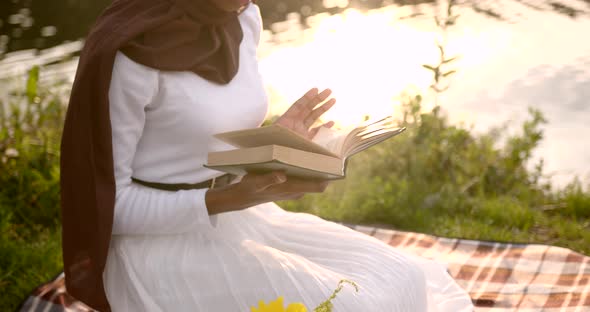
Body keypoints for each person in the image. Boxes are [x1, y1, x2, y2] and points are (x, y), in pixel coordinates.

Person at [60, 0, 474, 311]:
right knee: (353, 306)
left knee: (403, 277)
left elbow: (194, 136)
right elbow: (107, 207)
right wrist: (230, 197)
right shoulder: (130, 55)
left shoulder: (242, 16)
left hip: (238, 218)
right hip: (151, 248)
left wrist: (271, 142)